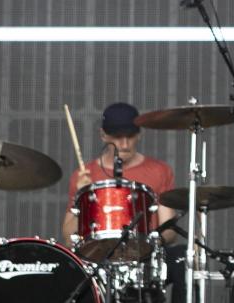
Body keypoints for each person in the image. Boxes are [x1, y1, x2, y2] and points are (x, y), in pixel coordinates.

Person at [61, 102, 180, 248]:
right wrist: (81, 199)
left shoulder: (160, 171)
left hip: (143, 260)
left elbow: (169, 230)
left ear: (139, 135)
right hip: (98, 260)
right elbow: (68, 239)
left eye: (130, 136)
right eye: (117, 137)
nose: (124, 144)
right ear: (103, 135)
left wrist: (149, 245)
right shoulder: (84, 175)